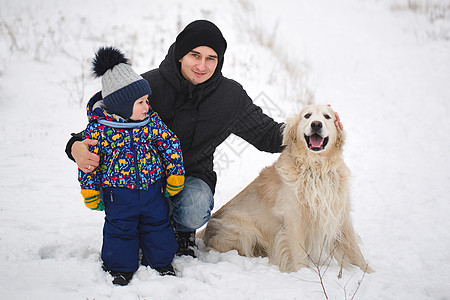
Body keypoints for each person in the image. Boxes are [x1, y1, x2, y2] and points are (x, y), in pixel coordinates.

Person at [66, 20, 343, 258]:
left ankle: (182, 233)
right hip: (138, 175)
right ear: (179, 55)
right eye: (195, 55)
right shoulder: (148, 86)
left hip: (190, 177)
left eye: (211, 58)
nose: (202, 65)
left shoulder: (230, 97)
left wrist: (314, 126)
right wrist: (75, 146)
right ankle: (137, 229)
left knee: (195, 204)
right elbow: (103, 123)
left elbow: (268, 135)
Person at [78, 46, 185, 285]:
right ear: (121, 105)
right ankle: (119, 267)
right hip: (118, 194)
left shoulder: (150, 123)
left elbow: (170, 145)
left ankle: (161, 262)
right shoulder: (99, 130)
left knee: (158, 225)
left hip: (152, 189)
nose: (147, 106)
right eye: (140, 102)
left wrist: (175, 173)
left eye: (146, 100)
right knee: (119, 229)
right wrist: (90, 188)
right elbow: (88, 164)